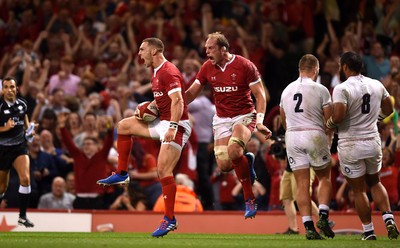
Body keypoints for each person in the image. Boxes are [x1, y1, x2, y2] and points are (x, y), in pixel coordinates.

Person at [97, 37, 192, 238]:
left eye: (142, 50)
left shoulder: (168, 71)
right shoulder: (156, 73)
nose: (139, 53)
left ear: (155, 51)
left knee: (163, 170)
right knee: (123, 126)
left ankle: (169, 219)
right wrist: (149, 108)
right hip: (163, 121)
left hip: (177, 125)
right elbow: (164, 102)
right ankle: (122, 172)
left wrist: (173, 127)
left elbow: (178, 101)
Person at [185, 32, 272, 219]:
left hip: (244, 116)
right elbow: (192, 93)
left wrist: (260, 121)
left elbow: (260, 95)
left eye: (210, 48)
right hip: (222, 119)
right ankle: (247, 160)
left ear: (223, 49)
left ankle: (249, 198)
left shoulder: (244, 65)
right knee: (224, 165)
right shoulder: (207, 67)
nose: (206, 51)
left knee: (234, 151)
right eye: (206, 48)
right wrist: (174, 102)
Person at [327, 51, 399, 240]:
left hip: (351, 143)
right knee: (375, 182)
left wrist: (329, 124)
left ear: (344, 67)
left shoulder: (341, 88)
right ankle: (389, 219)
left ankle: (369, 232)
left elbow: (340, 115)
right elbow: (390, 108)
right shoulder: (377, 84)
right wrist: (378, 119)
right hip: (372, 141)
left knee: (358, 190)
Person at [280, 54, 335, 240]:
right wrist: (329, 137)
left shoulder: (286, 90)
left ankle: (308, 227)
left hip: (293, 136)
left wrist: (292, 135)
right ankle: (324, 216)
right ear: (316, 69)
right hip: (314, 134)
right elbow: (329, 120)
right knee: (324, 178)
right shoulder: (321, 89)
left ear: (299, 69)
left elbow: (282, 118)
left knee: (302, 185)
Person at [0, 76, 35, 227]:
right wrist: (4, 128)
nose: (9, 90)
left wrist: (29, 130)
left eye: (12, 87)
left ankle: (22, 216)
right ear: (2, 90)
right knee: (2, 187)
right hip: (2, 149)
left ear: (16, 88)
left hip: (20, 147)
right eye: (6, 87)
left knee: (26, 178)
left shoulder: (23, 104)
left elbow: (25, 117)